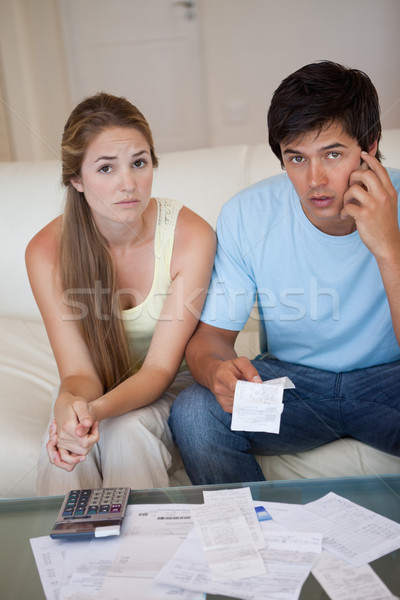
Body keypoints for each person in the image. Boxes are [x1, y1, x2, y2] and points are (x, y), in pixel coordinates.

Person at [168, 60, 400, 485]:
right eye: (297, 158)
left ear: (369, 145)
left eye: (333, 154)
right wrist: (217, 370)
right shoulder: (248, 214)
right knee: (195, 415)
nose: (315, 180)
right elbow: (211, 339)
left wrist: (389, 249)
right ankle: (259, 542)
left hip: (390, 381)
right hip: (295, 385)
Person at [25, 92, 216, 494]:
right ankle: (68, 557)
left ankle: (143, 556)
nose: (128, 184)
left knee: (126, 433)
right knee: (66, 458)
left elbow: (159, 371)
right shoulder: (46, 253)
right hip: (99, 388)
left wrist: (95, 412)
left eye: (139, 163)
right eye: (106, 168)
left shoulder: (190, 236)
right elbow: (78, 374)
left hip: (170, 388)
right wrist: (70, 414)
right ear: (76, 179)